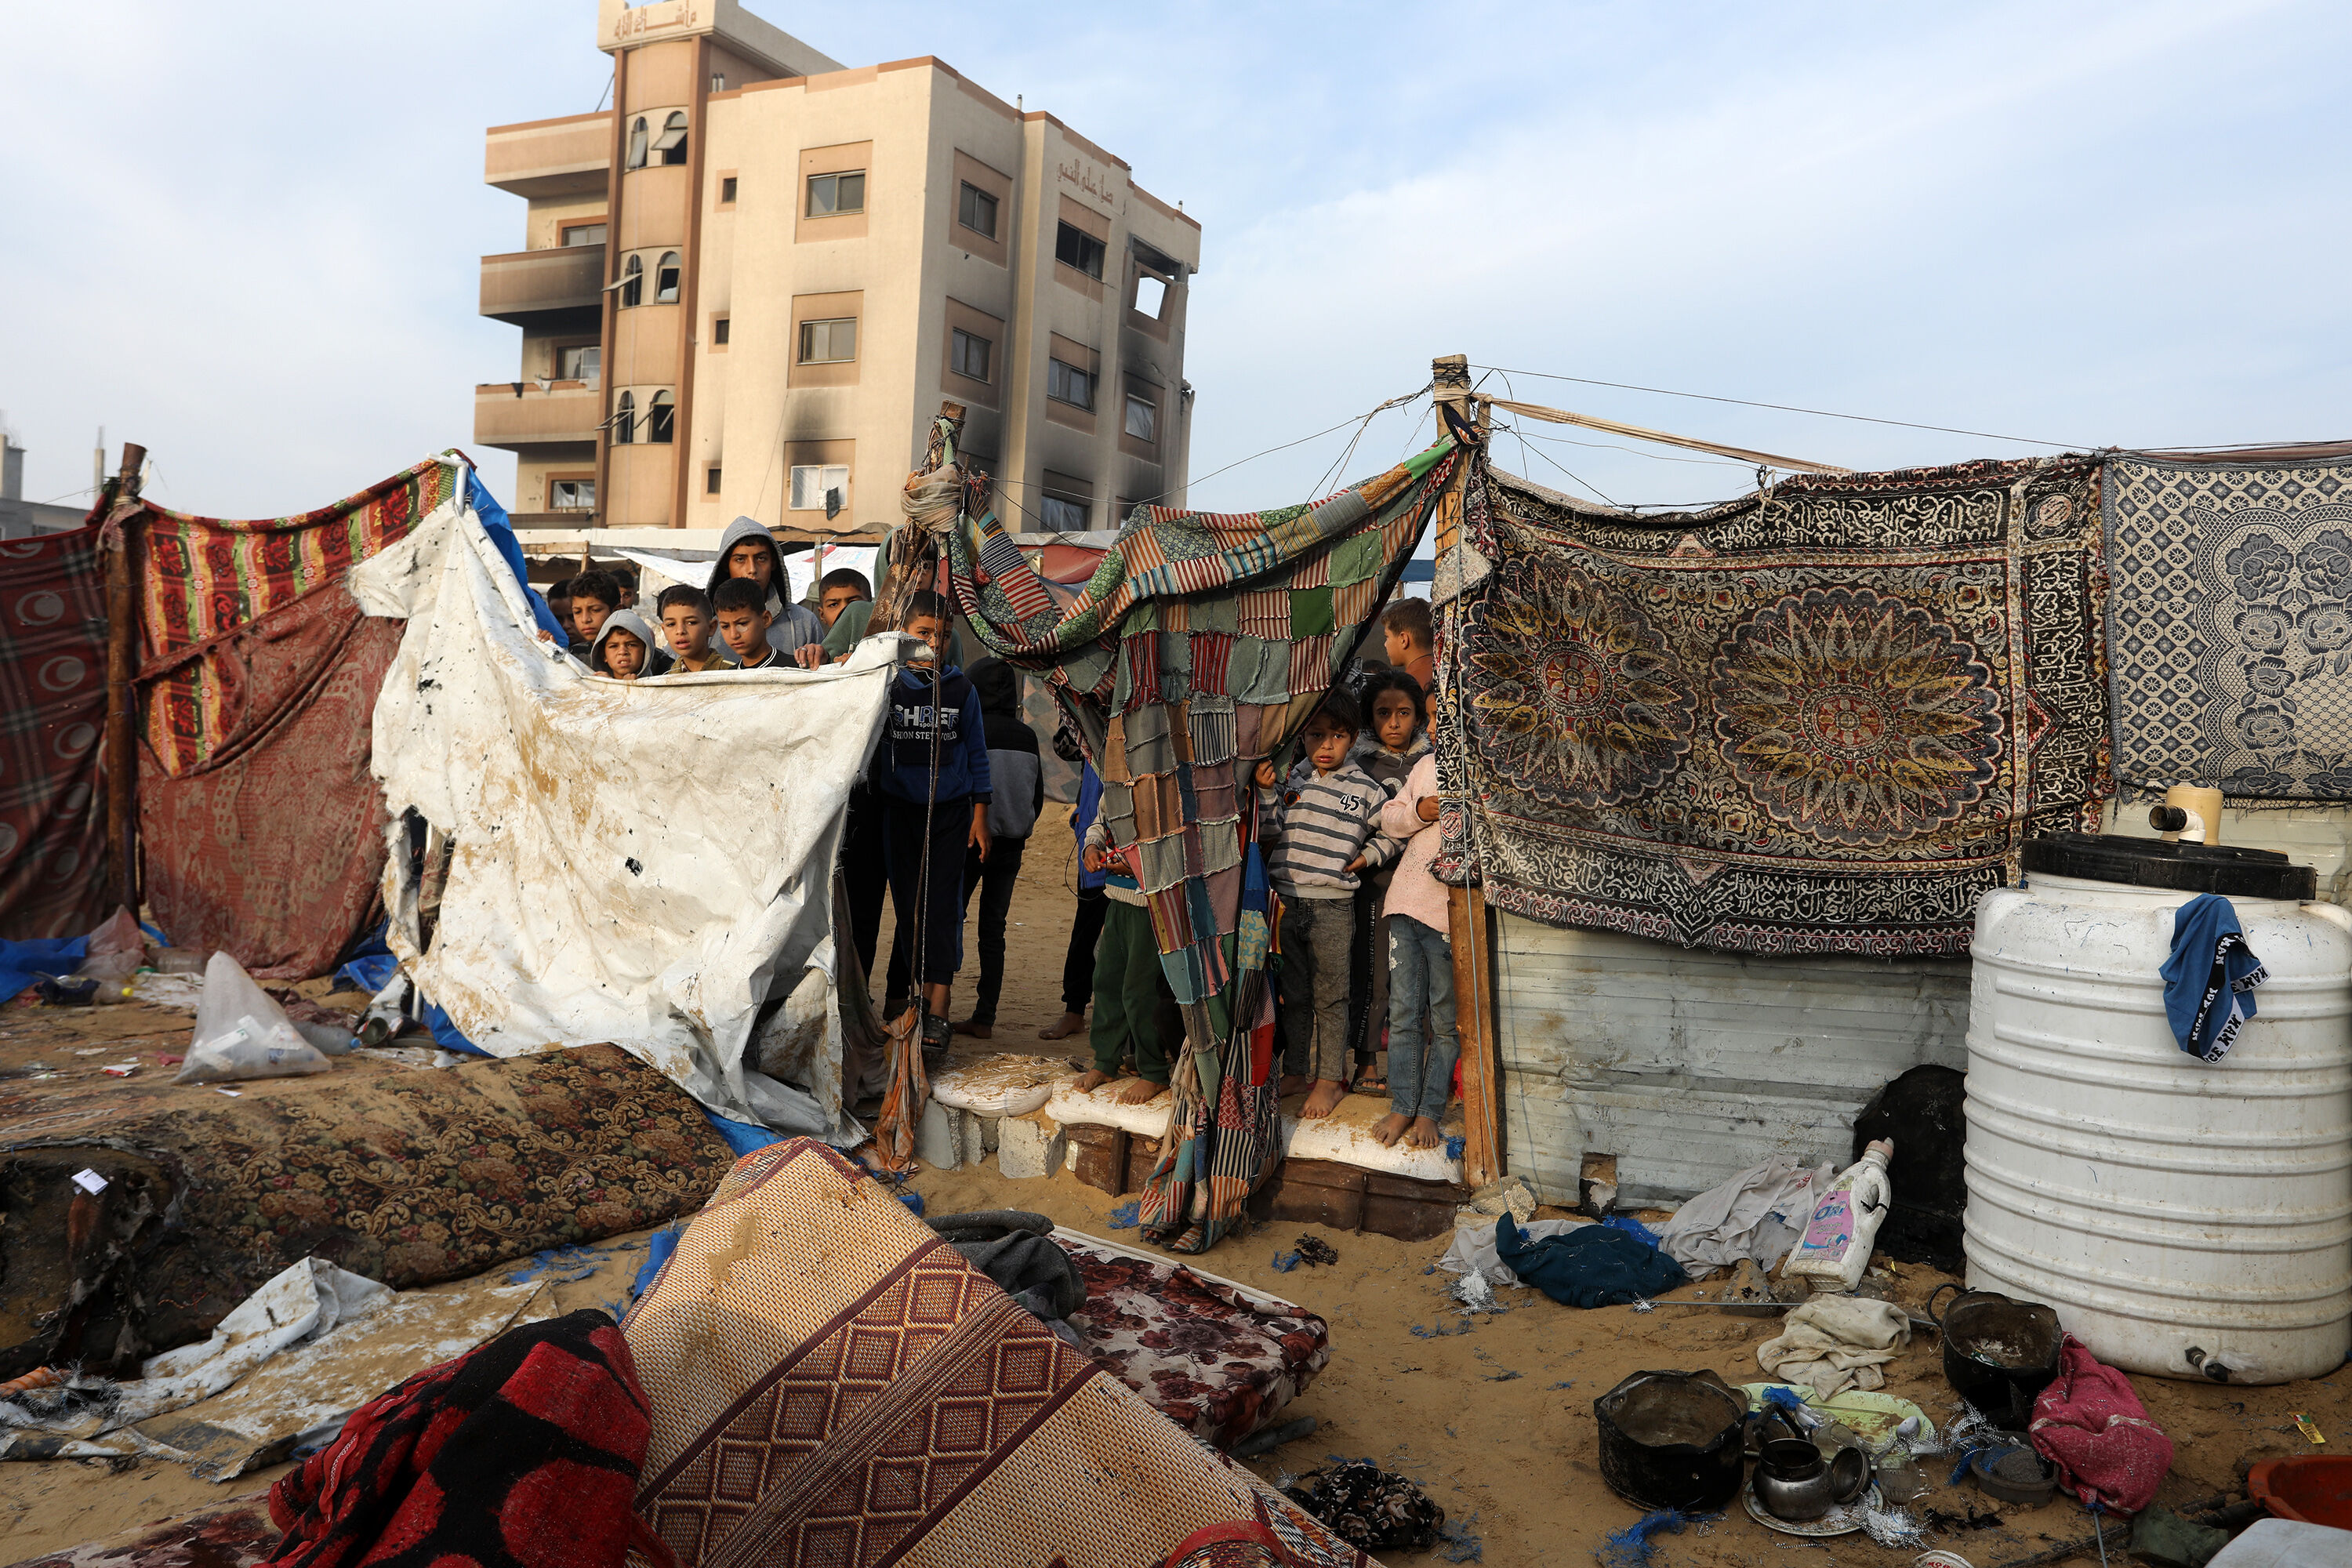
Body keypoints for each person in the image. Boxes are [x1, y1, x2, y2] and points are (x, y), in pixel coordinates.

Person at [1254, 689, 1401, 1120]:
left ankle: (1329, 1079)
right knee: (1295, 995)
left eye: (1336, 736)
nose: (1325, 746)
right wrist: (1266, 794)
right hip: (1286, 902)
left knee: (1332, 997)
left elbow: (1393, 832)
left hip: (1333, 906)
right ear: (1302, 737)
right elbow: (1269, 830)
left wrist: (1368, 857)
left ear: (1353, 737)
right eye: (1315, 735)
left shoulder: (1367, 790)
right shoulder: (1291, 779)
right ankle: (1298, 1070)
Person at [869, 590, 990, 1066]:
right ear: (904, 633)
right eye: (923, 634)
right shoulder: (886, 686)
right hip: (898, 810)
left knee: (943, 908)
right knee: (908, 910)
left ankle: (938, 1009)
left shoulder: (963, 691)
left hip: (952, 813)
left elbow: (978, 756)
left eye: (941, 636)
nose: (932, 645)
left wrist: (981, 815)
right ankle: (914, 1000)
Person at [1345, 670, 1432, 1092]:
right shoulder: (1357, 764)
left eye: (1403, 713)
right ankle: (1365, 1062)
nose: (1394, 723)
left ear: (1418, 717)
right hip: (1376, 884)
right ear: (1368, 718)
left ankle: (1417, 1067)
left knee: (1423, 978)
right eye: (1383, 713)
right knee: (1375, 971)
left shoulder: (1432, 764)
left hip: (1426, 888)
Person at [952, 659, 1042, 1040]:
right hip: (1012, 844)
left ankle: (931, 1003)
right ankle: (984, 1017)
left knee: (950, 917)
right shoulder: (1027, 736)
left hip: (968, 842)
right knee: (994, 930)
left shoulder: (970, 730)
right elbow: (1035, 798)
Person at [1374, 751, 1456, 1149]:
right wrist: (1420, 810)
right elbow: (1390, 817)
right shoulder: (1427, 765)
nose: (1449, 721)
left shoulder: (1491, 767)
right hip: (1407, 902)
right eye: (1440, 714)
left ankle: (1430, 1111)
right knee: (1404, 1011)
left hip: (1454, 912)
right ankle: (1405, 1104)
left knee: (1445, 1019)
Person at [1074, 804, 1170, 1106]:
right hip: (1117, 901)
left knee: (1140, 991)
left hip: (1151, 906)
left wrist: (1137, 868)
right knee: (1106, 982)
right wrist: (1092, 847)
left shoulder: (1161, 784)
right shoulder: (1114, 783)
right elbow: (1100, 824)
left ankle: (1153, 1070)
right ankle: (1105, 1062)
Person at [1043, 730, 1107, 1044]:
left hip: (1130, 844)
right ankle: (1075, 1010)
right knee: (1086, 929)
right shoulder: (1089, 725)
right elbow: (1063, 746)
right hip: (1092, 844)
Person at [706, 517, 823, 661]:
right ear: (725, 565)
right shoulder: (706, 626)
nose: (752, 569)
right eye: (740, 559)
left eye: (761, 558)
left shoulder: (803, 622)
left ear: (773, 562)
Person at [796, 567, 873, 668]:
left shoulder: (882, 641)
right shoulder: (822, 655)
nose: (845, 609)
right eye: (834, 605)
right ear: (822, 615)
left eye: (853, 603)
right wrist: (813, 657)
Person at [654, 585, 732, 673]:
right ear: (664, 630)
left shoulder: (733, 673)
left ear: (711, 628)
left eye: (691, 623)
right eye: (671, 624)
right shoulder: (665, 681)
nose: (680, 631)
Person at [711, 578, 781, 670]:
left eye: (742, 624)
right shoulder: (728, 676)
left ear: (765, 620)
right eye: (725, 626)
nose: (734, 635)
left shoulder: (794, 669)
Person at [588, 608, 671, 680]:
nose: (622, 652)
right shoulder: (596, 685)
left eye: (631, 645)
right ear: (604, 655)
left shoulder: (661, 686)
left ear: (645, 651)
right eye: (614, 646)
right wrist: (608, 686)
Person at [1383, 598, 1437, 697]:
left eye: (1387, 637)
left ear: (1403, 639)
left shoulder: (1404, 687)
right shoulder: (1447, 675)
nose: (1385, 644)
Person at [568, 569, 622, 660]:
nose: (585, 619)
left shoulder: (646, 657)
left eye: (595, 610)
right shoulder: (574, 657)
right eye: (577, 612)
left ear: (617, 610)